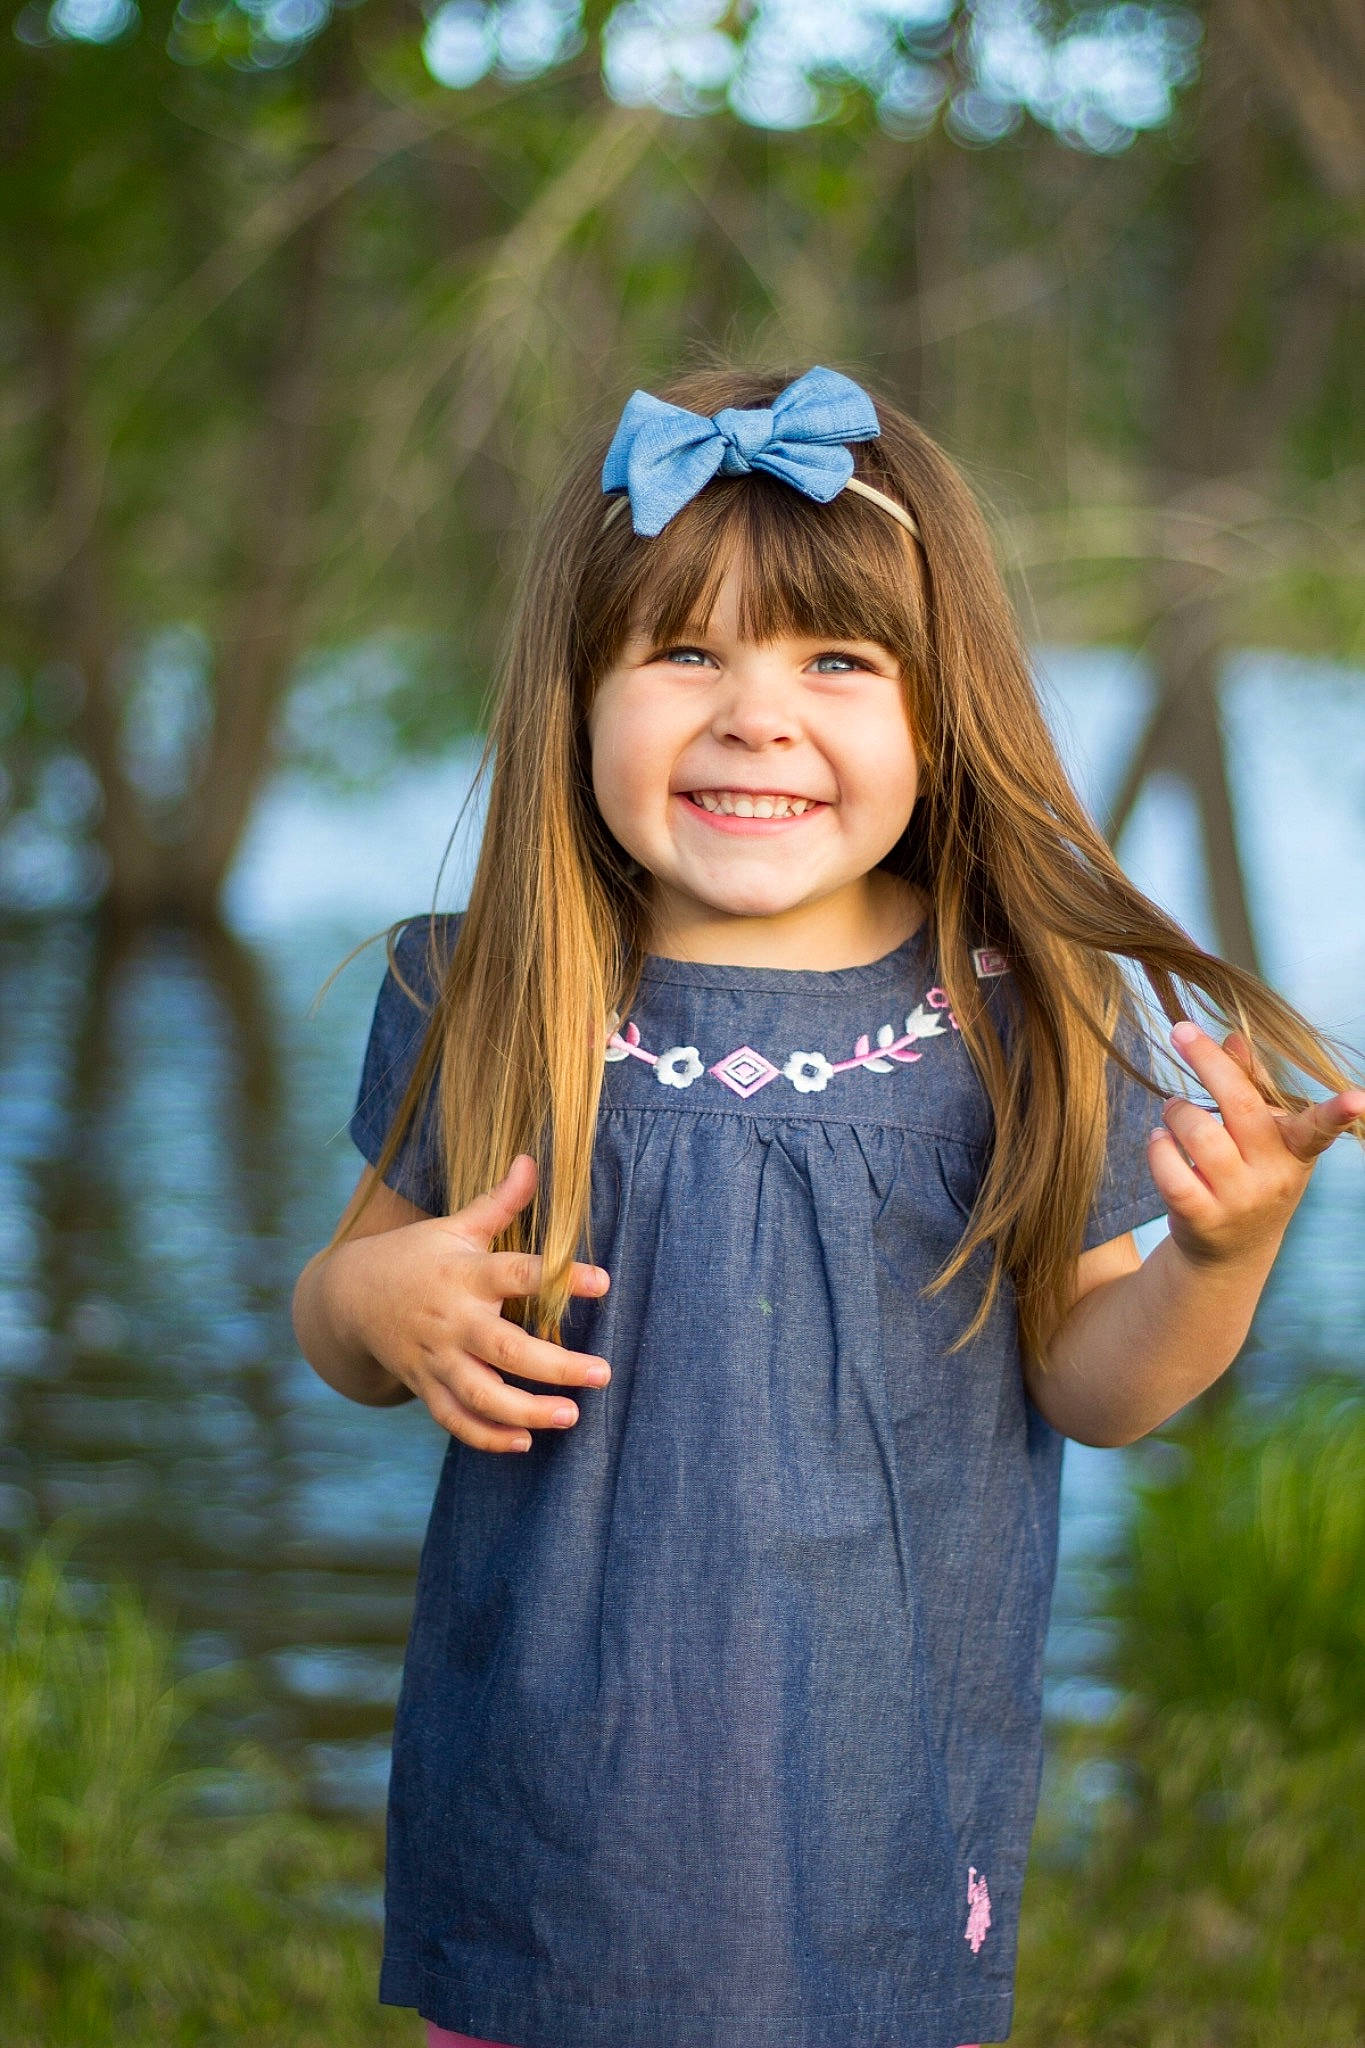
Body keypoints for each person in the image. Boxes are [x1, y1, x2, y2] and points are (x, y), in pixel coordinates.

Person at [291, 362, 1364, 2048]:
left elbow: (1092, 1383)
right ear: (577, 692)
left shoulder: (1018, 1019)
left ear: (944, 716)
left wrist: (1218, 1262)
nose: (755, 716)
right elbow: (335, 1312)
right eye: (684, 652)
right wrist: (383, 1309)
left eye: (837, 662)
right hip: (557, 1807)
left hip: (871, 1815)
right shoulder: (493, 989)